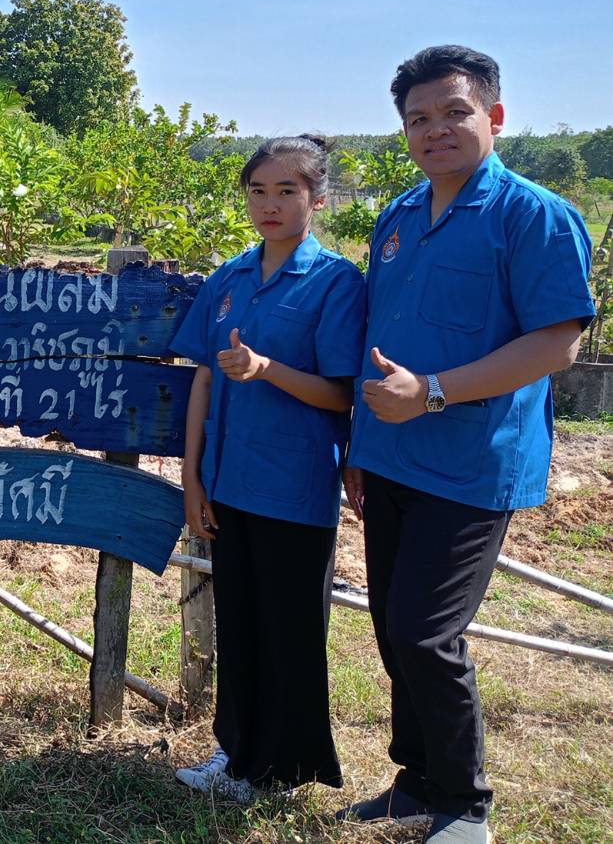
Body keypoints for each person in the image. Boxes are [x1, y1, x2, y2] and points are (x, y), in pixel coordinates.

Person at [339, 46, 594, 843]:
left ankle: (462, 804)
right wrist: (358, 443)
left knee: (425, 631)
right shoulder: (398, 217)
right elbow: (378, 337)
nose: (434, 129)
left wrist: (435, 392)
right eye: (417, 118)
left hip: (470, 461)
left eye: (453, 111)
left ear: (494, 115)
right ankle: (414, 781)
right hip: (387, 457)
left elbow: (558, 344)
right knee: (390, 624)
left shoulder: (534, 216)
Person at [168, 135, 366, 804]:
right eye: (258, 190)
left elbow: (342, 394)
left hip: (293, 484)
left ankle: (282, 772)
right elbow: (201, 377)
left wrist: (265, 369)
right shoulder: (228, 277)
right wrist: (192, 479)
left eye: (287, 191)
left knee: (288, 630)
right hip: (227, 479)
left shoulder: (334, 281)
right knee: (241, 625)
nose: (270, 204)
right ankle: (236, 755)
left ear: (317, 198)